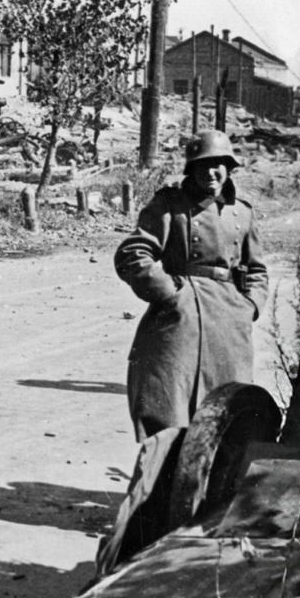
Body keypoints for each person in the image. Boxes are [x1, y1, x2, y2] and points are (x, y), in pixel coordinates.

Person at [114, 130, 269, 438]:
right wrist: (170, 293)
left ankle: (217, 483)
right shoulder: (170, 205)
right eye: (202, 165)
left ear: (229, 167)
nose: (211, 173)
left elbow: (256, 269)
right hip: (181, 316)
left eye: (219, 164)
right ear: (191, 169)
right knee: (167, 400)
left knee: (229, 406)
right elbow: (133, 252)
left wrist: (249, 306)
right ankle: (165, 481)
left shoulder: (242, 212)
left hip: (229, 320)